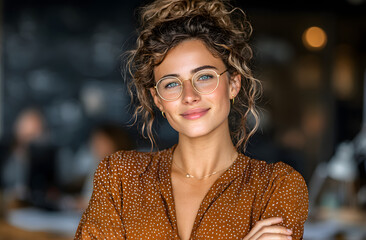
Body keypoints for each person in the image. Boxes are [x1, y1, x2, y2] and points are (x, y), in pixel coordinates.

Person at [75, 0, 308, 239]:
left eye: (204, 77)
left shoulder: (277, 187)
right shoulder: (120, 177)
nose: (189, 96)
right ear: (157, 99)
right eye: (172, 83)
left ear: (233, 84)